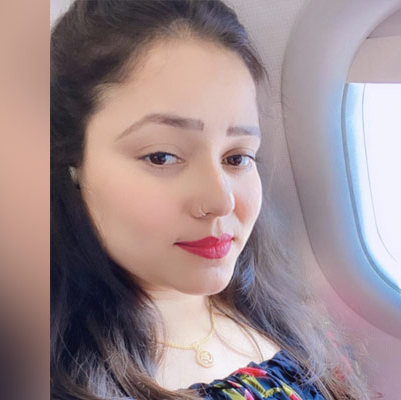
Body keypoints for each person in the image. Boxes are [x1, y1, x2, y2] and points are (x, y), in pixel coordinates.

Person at [51, 1, 370, 399]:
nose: (221, 201)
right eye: (161, 156)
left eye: (237, 158)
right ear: (72, 161)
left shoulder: (292, 318)